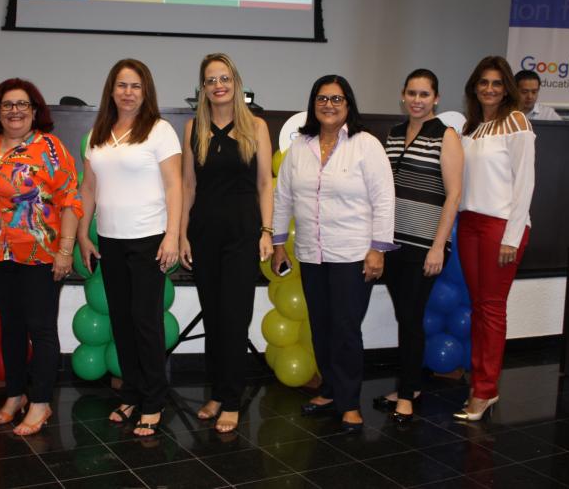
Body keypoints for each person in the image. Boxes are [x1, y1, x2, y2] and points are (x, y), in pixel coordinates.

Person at [271, 75, 395, 433]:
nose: (329, 105)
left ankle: (350, 402)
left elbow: (384, 199)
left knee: (345, 329)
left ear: (348, 104)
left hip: (353, 255)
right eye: (322, 98)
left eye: (336, 99)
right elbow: (283, 197)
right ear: (313, 105)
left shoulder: (366, 145)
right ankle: (329, 389)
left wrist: (378, 249)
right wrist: (278, 243)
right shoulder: (300, 147)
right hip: (312, 254)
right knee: (321, 327)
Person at [77, 59, 182, 437]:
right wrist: (83, 234)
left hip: (149, 239)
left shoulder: (160, 130)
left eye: (135, 86)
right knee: (122, 321)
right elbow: (88, 188)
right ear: (111, 90)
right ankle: (133, 393)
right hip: (110, 240)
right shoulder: (97, 133)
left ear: (146, 91)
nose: (128, 92)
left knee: (145, 321)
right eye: (121, 85)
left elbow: (174, 186)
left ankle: (154, 400)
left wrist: (173, 235)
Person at [0, 78, 82, 436]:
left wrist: (65, 250)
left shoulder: (50, 147)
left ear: (35, 111)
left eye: (22, 104)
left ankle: (40, 402)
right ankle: (15, 394)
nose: (15, 111)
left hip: (41, 254)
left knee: (41, 327)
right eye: (7, 104)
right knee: (11, 326)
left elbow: (71, 200)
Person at [179, 53, 273, 433]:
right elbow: (188, 186)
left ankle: (232, 400)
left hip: (242, 234)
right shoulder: (193, 128)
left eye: (224, 78)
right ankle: (217, 393)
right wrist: (182, 234)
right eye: (211, 80)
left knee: (234, 319)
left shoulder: (256, 126)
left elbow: (265, 184)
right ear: (203, 88)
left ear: (235, 82)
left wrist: (267, 232)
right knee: (214, 318)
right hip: (203, 234)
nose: (218, 85)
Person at [373, 69, 463, 422]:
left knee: (411, 318)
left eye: (424, 94)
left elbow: (454, 195)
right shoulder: (394, 134)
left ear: (436, 98)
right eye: (412, 93)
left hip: (426, 245)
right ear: (403, 95)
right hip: (394, 244)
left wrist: (439, 246)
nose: (417, 100)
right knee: (404, 316)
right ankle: (408, 386)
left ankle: (408, 394)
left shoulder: (446, 135)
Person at [455, 56, 535, 421]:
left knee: (491, 308)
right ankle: (480, 384)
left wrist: (511, 238)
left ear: (507, 89)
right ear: (474, 87)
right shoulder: (471, 128)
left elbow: (525, 184)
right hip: (469, 223)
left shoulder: (516, 123)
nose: (489, 89)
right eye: (483, 82)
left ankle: (485, 390)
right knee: (479, 307)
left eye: (497, 83)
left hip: (501, 227)